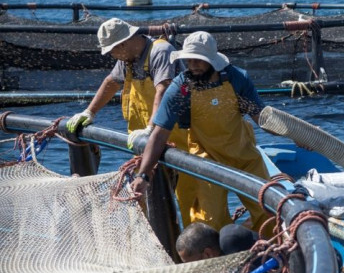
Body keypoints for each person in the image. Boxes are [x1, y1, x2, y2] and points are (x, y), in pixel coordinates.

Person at [130, 31, 273, 234]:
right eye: (189, 60)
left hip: (243, 154)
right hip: (206, 158)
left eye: (199, 60)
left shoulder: (236, 79)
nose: (193, 65)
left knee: (267, 211)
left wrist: (298, 135)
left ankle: (273, 259)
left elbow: (262, 119)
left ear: (213, 61)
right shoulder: (181, 89)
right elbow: (160, 134)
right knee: (209, 221)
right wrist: (143, 175)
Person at [66, 18, 198, 226]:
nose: (111, 56)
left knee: (191, 202)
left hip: (181, 140)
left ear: (123, 44)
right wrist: (89, 112)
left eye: (111, 51)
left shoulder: (160, 51)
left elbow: (163, 89)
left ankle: (198, 252)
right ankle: (157, 248)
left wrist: (152, 127)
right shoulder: (128, 58)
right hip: (147, 145)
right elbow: (111, 82)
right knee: (144, 198)